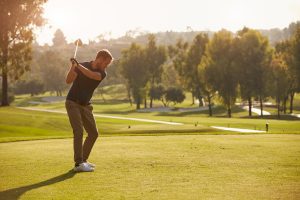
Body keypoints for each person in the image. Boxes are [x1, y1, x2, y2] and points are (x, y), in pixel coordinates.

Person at [65, 49, 113, 172]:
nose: (106, 66)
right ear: (100, 59)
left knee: (93, 133)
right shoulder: (82, 65)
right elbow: (68, 80)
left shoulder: (102, 73)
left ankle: (83, 161)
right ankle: (78, 163)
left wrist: (78, 66)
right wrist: (73, 67)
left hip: (85, 105)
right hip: (72, 102)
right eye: (106, 63)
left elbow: (91, 75)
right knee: (79, 131)